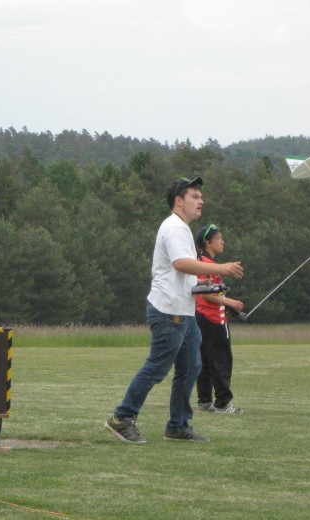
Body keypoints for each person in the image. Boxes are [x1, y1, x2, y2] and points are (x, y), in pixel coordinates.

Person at [105, 177, 244, 443]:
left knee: (191, 367)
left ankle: (177, 426)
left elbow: (183, 275)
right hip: (168, 311)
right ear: (178, 201)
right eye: (194, 196)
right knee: (157, 367)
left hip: (185, 312)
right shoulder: (175, 227)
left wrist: (206, 287)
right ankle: (122, 417)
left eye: (201, 196)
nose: (201, 201)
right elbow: (181, 263)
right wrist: (220, 268)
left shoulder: (182, 229)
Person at [194, 224, 244, 414]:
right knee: (221, 361)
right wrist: (229, 301)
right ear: (208, 243)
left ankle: (205, 401)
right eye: (219, 238)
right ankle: (222, 403)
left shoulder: (206, 264)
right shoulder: (205, 264)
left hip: (207, 319)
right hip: (212, 320)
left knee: (205, 361)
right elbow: (205, 294)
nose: (223, 241)